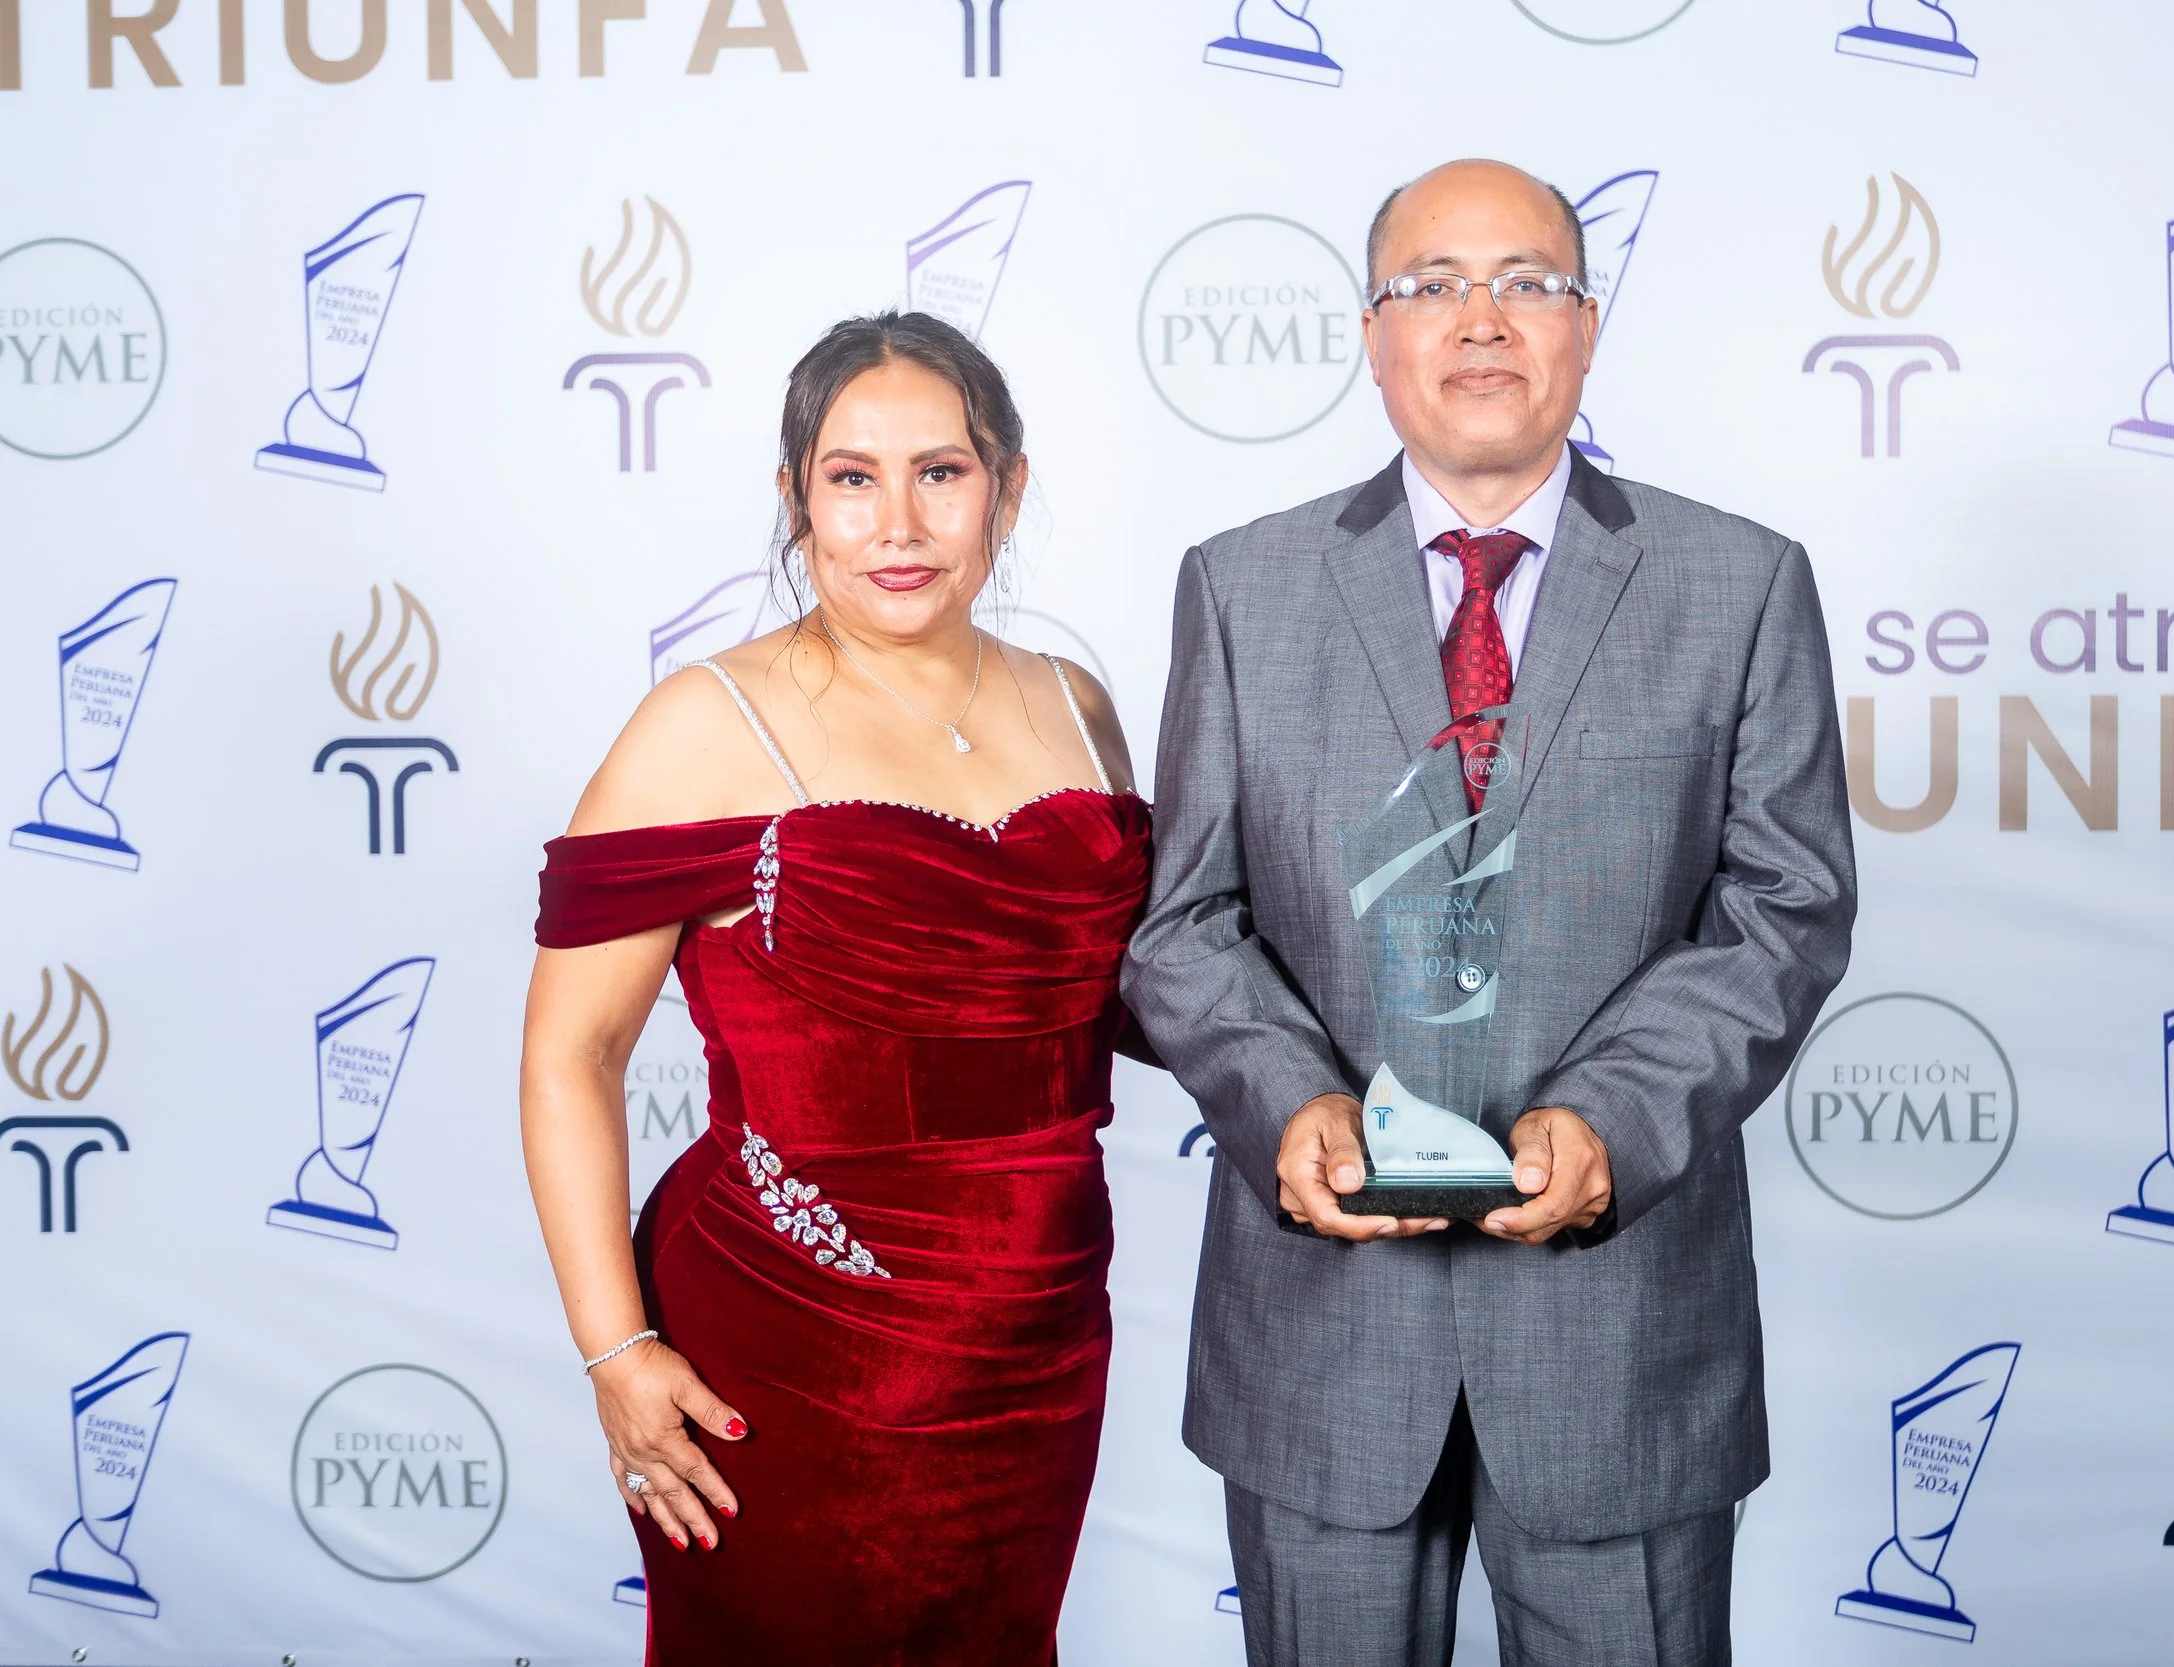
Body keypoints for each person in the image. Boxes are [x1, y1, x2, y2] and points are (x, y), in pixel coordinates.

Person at [1122, 160, 1856, 1666]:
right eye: (1432, 284)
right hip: (1324, 1339)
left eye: (1528, 281)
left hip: (1620, 1337)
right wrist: (1291, 1103)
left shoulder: (1742, 584)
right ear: (1371, 333)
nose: (1481, 319)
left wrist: (1615, 1121)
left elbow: (1786, 907)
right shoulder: (1242, 590)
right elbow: (1185, 920)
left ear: (1587, 325)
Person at [520, 311, 1149, 1665]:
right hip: (786, 1342)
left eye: (942, 472)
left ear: (1008, 489)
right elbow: (573, 1054)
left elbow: (1116, 992)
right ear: (797, 499)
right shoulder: (703, 722)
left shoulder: (1076, 702)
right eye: (853, 478)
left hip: (1040, 1339)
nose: (898, 523)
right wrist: (615, 1352)